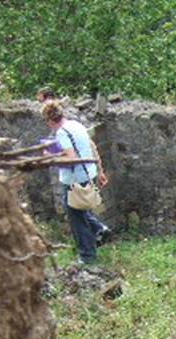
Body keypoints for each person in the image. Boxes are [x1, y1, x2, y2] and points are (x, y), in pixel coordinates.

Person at [41, 99, 112, 264]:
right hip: (88, 173)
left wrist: (50, 156)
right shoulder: (76, 125)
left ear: (49, 120)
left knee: (76, 218)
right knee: (80, 209)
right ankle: (100, 229)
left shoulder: (61, 133)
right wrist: (100, 170)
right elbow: (92, 146)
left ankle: (87, 256)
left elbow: (71, 158)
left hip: (75, 180)